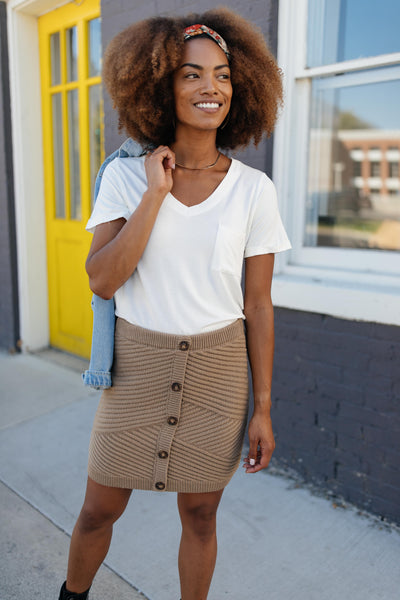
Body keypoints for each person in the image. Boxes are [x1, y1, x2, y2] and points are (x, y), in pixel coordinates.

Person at [58, 7, 291, 600]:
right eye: (191, 74)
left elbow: (258, 305)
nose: (210, 87)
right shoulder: (125, 177)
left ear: (241, 90)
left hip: (219, 374)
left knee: (202, 517)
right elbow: (102, 280)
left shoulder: (253, 191)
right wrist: (153, 195)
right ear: (161, 84)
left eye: (223, 75)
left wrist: (262, 408)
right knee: (95, 511)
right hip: (135, 372)